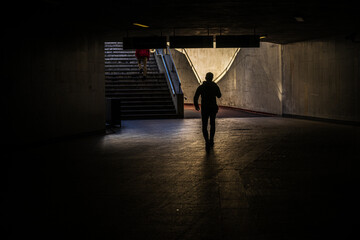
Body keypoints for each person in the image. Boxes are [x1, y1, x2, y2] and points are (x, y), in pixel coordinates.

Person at [194, 72, 222, 151]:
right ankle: (211, 140)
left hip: (205, 108)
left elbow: (196, 97)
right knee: (212, 124)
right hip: (213, 107)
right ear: (212, 78)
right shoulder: (214, 86)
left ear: (206, 78)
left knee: (204, 125)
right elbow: (219, 95)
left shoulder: (201, 87)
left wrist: (196, 105)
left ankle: (207, 141)